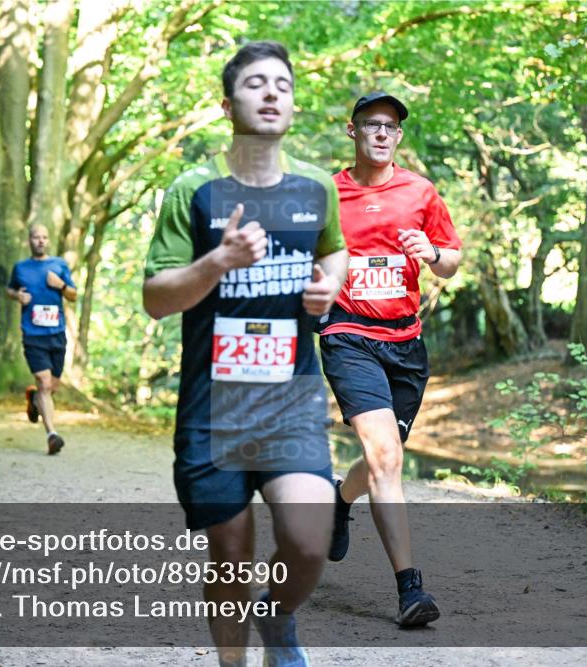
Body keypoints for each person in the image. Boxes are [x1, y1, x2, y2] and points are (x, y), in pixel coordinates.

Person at [143, 41, 348, 667]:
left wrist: (329, 286)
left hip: (291, 402)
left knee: (309, 541)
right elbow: (155, 298)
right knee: (230, 555)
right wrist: (218, 262)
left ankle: (277, 617)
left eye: (282, 85)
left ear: (293, 104)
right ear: (228, 104)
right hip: (214, 409)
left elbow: (334, 250)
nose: (271, 93)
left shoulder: (316, 186)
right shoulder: (194, 190)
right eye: (255, 83)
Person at [317, 92, 462, 628]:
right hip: (348, 334)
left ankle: (338, 501)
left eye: (391, 126)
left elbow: (451, 258)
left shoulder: (420, 191)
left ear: (398, 136)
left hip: (405, 343)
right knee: (385, 454)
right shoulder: (328, 193)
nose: (381, 133)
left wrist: (432, 253)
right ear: (352, 130)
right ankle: (410, 590)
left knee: (386, 456)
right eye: (371, 124)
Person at [7, 224, 77, 455]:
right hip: (33, 334)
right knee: (44, 383)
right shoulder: (20, 268)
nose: (40, 241)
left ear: (49, 241)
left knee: (51, 387)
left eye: (44, 237)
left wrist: (61, 285)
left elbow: (73, 295)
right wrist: (18, 296)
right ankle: (52, 435)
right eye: (36, 237)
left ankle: (33, 399)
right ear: (29, 240)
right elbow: (10, 289)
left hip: (56, 334)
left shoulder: (59, 265)